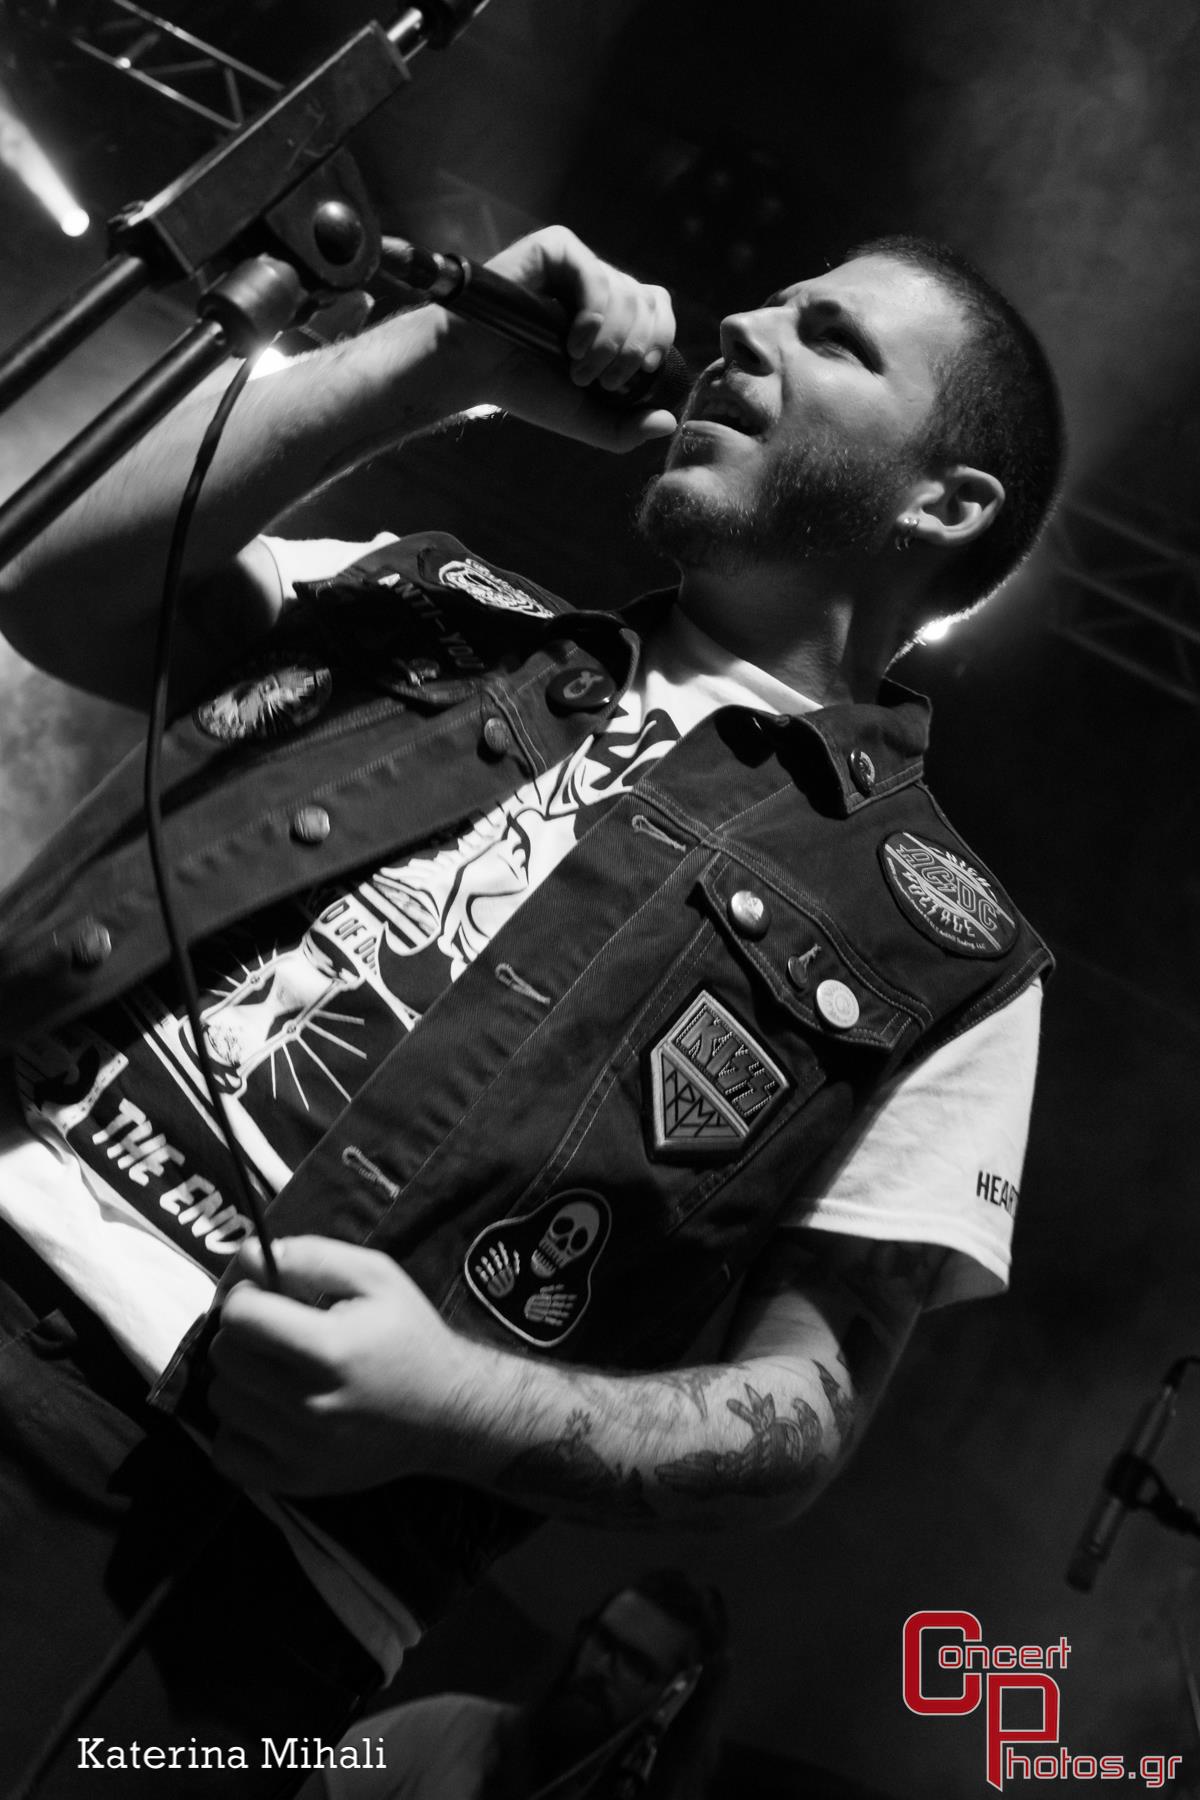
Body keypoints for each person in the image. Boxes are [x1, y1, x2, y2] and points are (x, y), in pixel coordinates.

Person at [0, 224, 1063, 1794]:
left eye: (831, 335)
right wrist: (444, 362)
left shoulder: (952, 953)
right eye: (765, 298)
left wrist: (452, 1408)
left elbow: (804, 1405)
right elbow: (51, 577)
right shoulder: (422, 591)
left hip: (214, 1564)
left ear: (946, 503)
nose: (743, 325)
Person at [300, 1568, 728, 1800]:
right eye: (600, 1639)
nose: (600, 1666)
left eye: (634, 1663)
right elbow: (312, 1781)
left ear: (671, 1701)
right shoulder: (457, 1726)